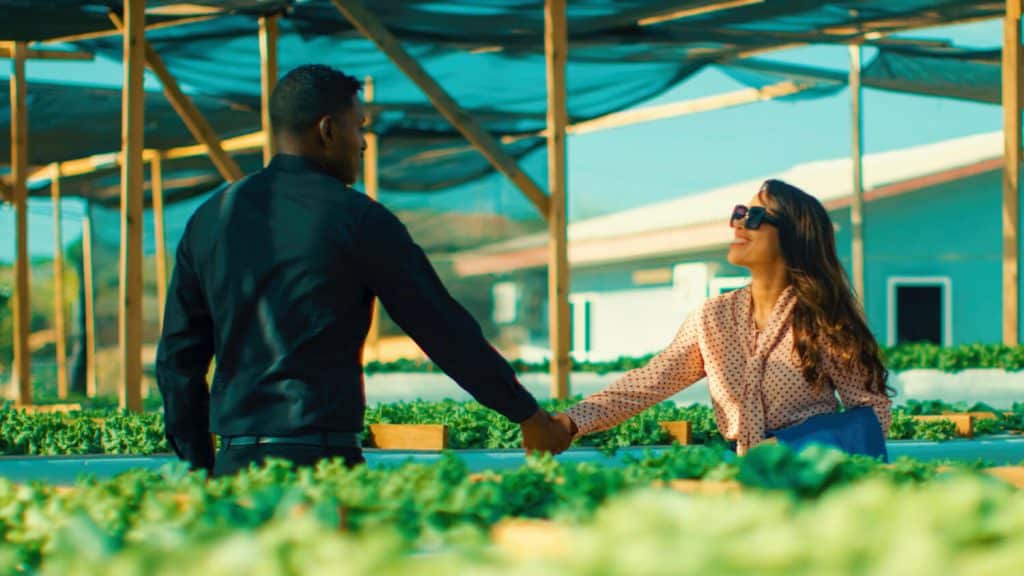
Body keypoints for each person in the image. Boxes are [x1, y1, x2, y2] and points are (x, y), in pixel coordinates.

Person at [156, 64, 570, 477]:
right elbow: (441, 327)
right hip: (321, 468)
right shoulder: (357, 220)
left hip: (235, 465)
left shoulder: (210, 219)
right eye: (359, 128)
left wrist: (200, 467)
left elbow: (178, 360)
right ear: (327, 130)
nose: (364, 144)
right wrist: (528, 415)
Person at [543, 180, 893, 458]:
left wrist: (790, 446)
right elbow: (648, 383)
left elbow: (873, 413)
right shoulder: (712, 318)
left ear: (793, 236)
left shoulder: (824, 320)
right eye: (739, 212)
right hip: (744, 472)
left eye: (754, 216)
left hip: (812, 475)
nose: (738, 223)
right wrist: (571, 421)